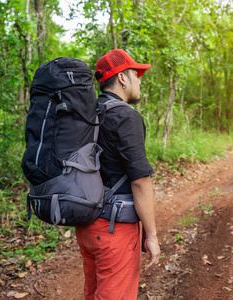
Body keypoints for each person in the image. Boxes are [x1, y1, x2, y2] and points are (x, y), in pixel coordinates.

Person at [75, 49, 160, 300]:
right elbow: (141, 181)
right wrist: (152, 236)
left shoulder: (87, 114)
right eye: (136, 73)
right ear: (122, 78)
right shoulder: (126, 116)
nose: (139, 79)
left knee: (93, 293)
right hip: (115, 230)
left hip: (86, 223)